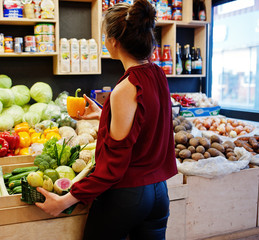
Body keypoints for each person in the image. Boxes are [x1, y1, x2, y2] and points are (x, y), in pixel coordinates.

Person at [35, 0, 178, 239]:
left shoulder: (125, 88)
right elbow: (146, 125)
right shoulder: (157, 74)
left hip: (127, 198)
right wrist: (105, 114)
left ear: (114, 42)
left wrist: (64, 201)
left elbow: (112, 167)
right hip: (159, 195)